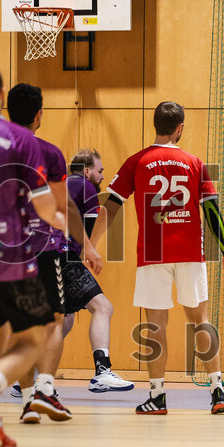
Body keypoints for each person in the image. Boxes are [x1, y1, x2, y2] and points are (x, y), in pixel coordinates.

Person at [91, 101, 224, 415]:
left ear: (155, 125)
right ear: (180, 127)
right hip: (189, 251)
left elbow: (111, 207)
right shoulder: (195, 162)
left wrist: (91, 244)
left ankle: (157, 397)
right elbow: (211, 211)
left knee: (156, 326)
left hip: (154, 252)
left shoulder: (137, 161)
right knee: (201, 321)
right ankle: (218, 390)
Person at [0, 63, 69, 447]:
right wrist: (67, 227)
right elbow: (45, 209)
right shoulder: (19, 139)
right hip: (8, 256)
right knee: (35, 338)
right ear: (0, 96)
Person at [6, 84, 106, 424]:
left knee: (21, 327)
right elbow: (64, 206)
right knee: (53, 322)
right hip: (44, 249)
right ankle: (44, 392)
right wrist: (88, 245)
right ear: (39, 115)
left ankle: (30, 398)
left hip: (6, 253)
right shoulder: (48, 153)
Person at [63, 149, 133, 393]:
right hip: (64, 256)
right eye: (100, 171)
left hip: (44, 256)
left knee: (65, 317)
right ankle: (102, 372)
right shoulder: (86, 188)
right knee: (103, 307)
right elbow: (91, 232)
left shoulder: (60, 185)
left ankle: (29, 376)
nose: (103, 176)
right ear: (86, 171)